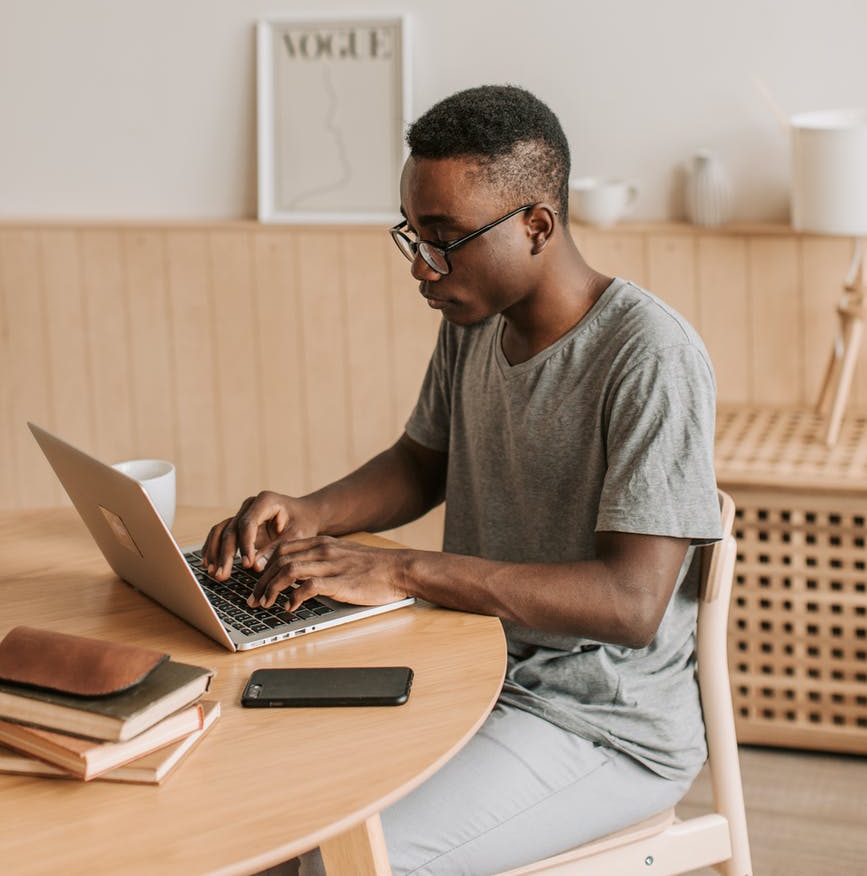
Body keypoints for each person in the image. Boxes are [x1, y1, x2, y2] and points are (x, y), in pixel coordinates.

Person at [203, 84, 721, 876]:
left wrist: (405, 569)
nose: (421, 263)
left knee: (347, 863)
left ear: (536, 226)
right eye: (413, 233)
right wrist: (309, 513)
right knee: (255, 811)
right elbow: (422, 461)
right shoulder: (478, 322)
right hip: (471, 673)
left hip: (599, 723)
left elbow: (629, 604)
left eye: (445, 237)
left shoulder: (648, 356)